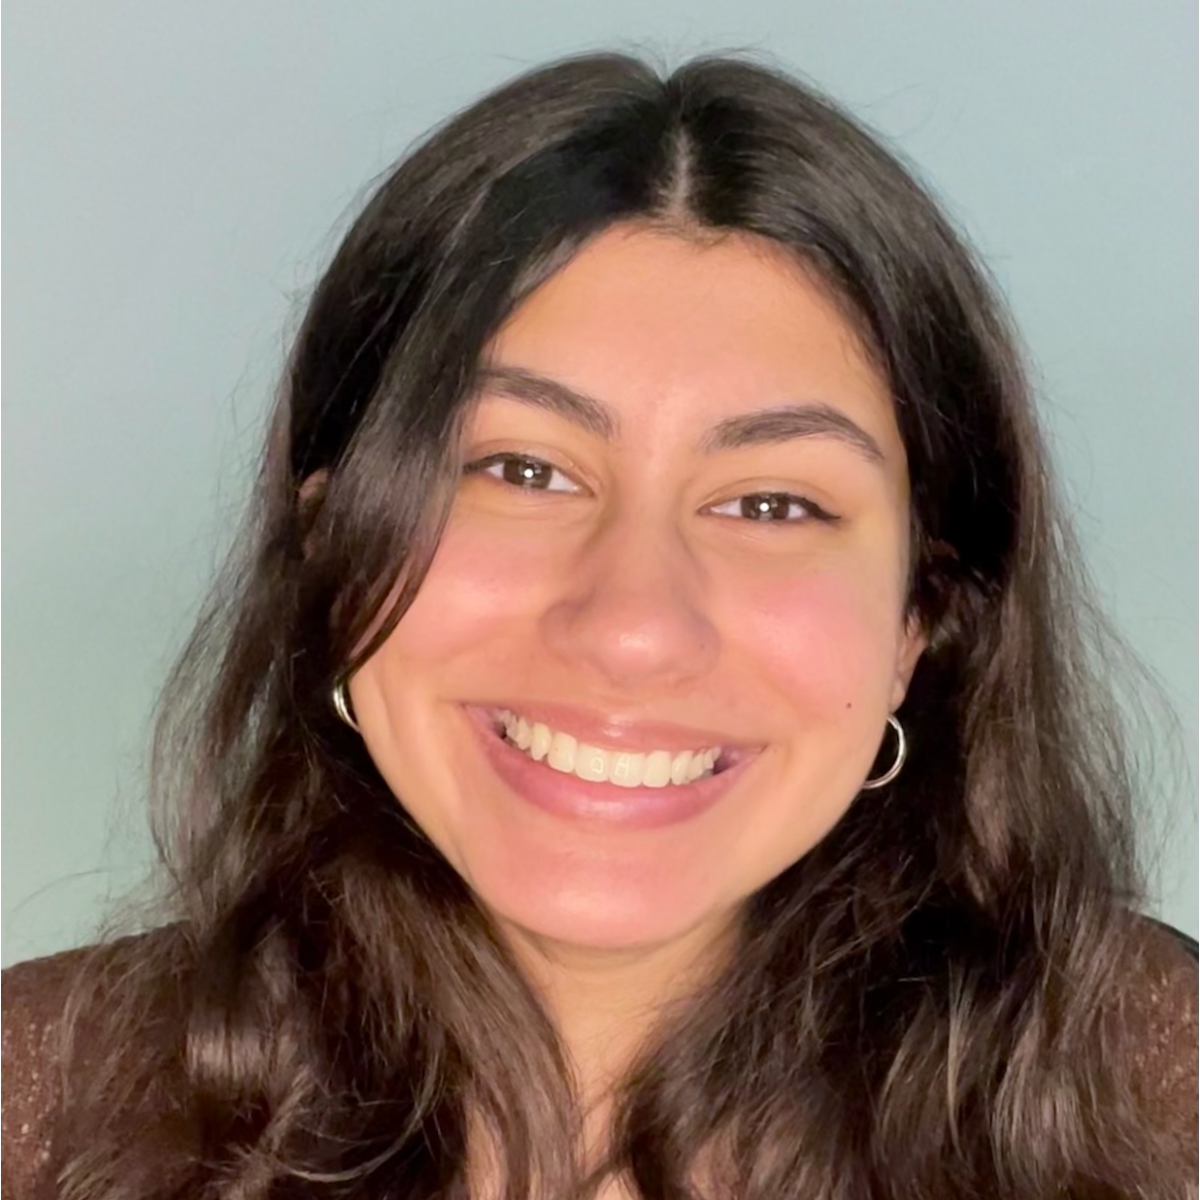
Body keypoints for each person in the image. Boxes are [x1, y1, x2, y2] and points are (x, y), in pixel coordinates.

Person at [2, 50, 1196, 1200]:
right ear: (330, 546)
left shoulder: (1153, 1083)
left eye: (772, 502)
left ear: (917, 623)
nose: (632, 627)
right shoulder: (37, 1102)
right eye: (521, 470)